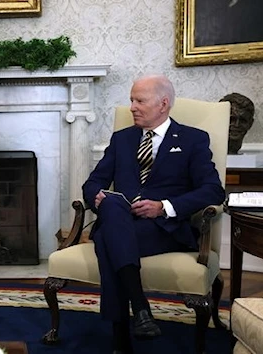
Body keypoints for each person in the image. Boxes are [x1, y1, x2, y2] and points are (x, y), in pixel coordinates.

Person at [82, 75, 225, 354]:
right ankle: (141, 309)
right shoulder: (122, 139)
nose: (132, 107)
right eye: (131, 100)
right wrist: (96, 196)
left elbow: (213, 191)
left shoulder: (193, 139)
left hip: (163, 228)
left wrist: (164, 206)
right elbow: (93, 182)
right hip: (121, 219)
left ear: (163, 104)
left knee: (107, 241)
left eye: (139, 100)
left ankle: (121, 336)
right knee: (110, 206)